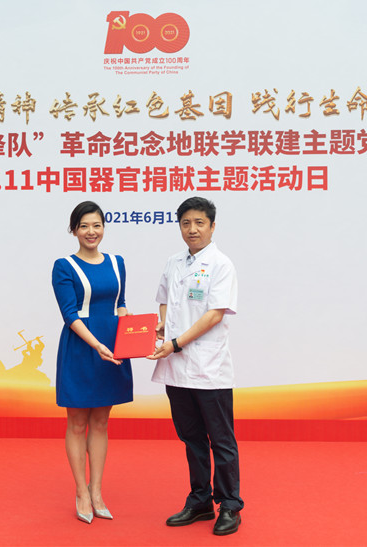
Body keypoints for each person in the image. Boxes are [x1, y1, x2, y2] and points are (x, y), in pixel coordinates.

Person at [148, 196, 243, 536]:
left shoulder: (221, 264)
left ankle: (230, 505)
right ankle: (200, 500)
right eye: (186, 223)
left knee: (221, 440)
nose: (192, 229)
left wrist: (175, 342)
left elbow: (214, 314)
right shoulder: (174, 262)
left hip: (208, 367)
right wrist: (162, 325)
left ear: (212, 226)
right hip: (177, 368)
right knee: (191, 438)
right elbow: (164, 300)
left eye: (199, 223)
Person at [51, 201, 132, 524]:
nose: (91, 232)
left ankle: (96, 491)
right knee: (77, 423)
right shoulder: (64, 266)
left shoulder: (117, 262)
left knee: (100, 422)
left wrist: (130, 334)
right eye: (84, 226)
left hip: (112, 349)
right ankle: (81, 491)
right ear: (74, 230)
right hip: (82, 348)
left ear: (103, 228)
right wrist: (97, 344)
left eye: (96, 225)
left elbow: (120, 304)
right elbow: (69, 314)